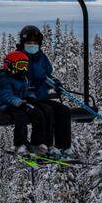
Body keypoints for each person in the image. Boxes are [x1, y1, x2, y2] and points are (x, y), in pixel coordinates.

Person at [17, 24, 73, 158]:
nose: (32, 45)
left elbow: (46, 76)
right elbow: (14, 78)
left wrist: (54, 83)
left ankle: (63, 147)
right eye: (29, 43)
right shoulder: (18, 58)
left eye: (35, 43)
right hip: (27, 99)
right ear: (23, 43)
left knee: (64, 111)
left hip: (41, 97)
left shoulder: (41, 58)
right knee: (46, 112)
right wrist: (30, 87)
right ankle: (44, 145)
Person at [0, 50, 50, 156]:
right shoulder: (4, 78)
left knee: (38, 113)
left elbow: (28, 91)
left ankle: (37, 143)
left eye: (25, 66)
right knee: (21, 117)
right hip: (7, 106)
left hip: (21, 104)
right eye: (21, 66)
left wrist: (31, 97)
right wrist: (18, 101)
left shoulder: (23, 78)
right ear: (10, 65)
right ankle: (20, 144)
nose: (24, 69)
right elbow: (6, 94)